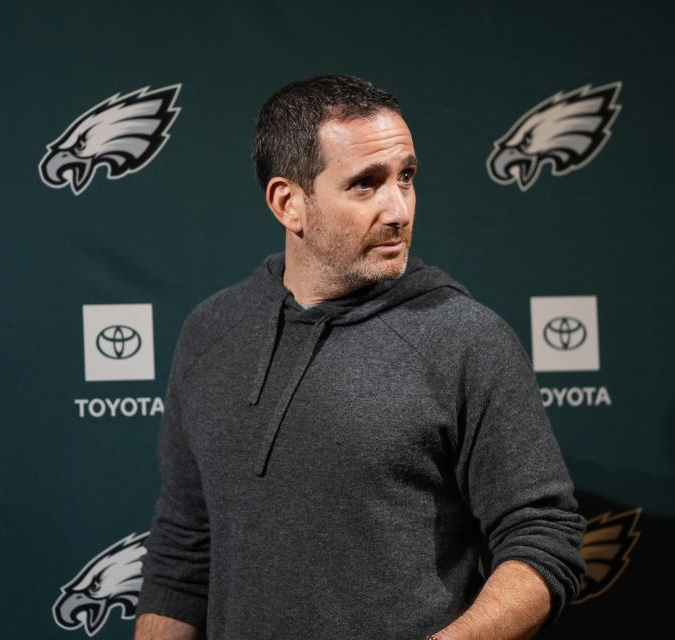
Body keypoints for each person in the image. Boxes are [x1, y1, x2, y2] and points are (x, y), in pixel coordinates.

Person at [134, 74, 586, 640]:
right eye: (366, 185)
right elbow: (182, 552)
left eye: (406, 177)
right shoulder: (210, 332)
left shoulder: (466, 338)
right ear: (288, 203)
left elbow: (543, 536)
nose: (398, 209)